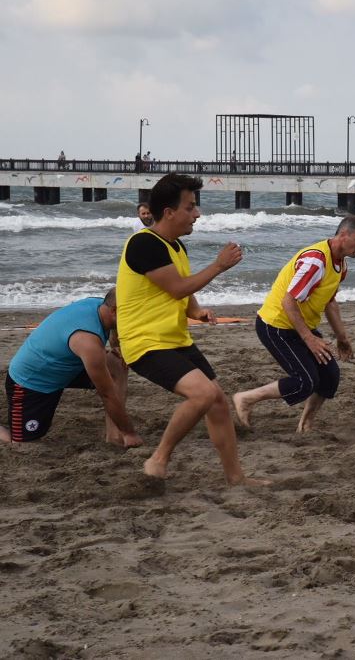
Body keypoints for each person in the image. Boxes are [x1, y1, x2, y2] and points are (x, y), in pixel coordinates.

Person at [116, 173, 265, 485]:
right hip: (144, 343)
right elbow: (177, 288)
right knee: (203, 394)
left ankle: (236, 477)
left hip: (174, 339)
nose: (197, 213)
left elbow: (181, 289)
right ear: (169, 212)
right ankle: (158, 458)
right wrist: (218, 266)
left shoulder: (176, 247)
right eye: (191, 207)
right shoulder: (144, 244)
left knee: (218, 403)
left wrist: (196, 310)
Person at [232, 216, 355, 432]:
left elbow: (330, 302)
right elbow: (288, 301)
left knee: (330, 376)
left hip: (298, 326)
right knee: (305, 381)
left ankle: (305, 425)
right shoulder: (315, 261)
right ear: (343, 235)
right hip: (275, 326)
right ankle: (246, 398)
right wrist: (310, 339)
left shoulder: (340, 265)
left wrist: (342, 338)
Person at [1, 290, 140, 448]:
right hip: (32, 383)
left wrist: (118, 347)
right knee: (23, 445)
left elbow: (115, 329)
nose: (136, 319)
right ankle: (124, 433)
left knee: (117, 363)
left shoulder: (99, 305)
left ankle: (114, 435)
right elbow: (107, 394)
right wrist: (130, 433)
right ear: (114, 311)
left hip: (66, 367)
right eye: (133, 314)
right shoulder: (88, 341)